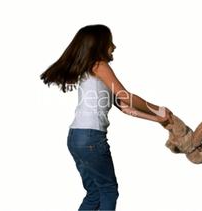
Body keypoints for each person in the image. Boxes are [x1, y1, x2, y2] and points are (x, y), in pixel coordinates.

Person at [40, 24, 173, 211]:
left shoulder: (92, 70)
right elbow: (125, 95)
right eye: (110, 41)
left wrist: (156, 118)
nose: (114, 46)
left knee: (94, 192)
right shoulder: (99, 65)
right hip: (90, 138)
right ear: (99, 44)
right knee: (108, 190)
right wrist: (157, 109)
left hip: (76, 137)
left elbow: (125, 107)